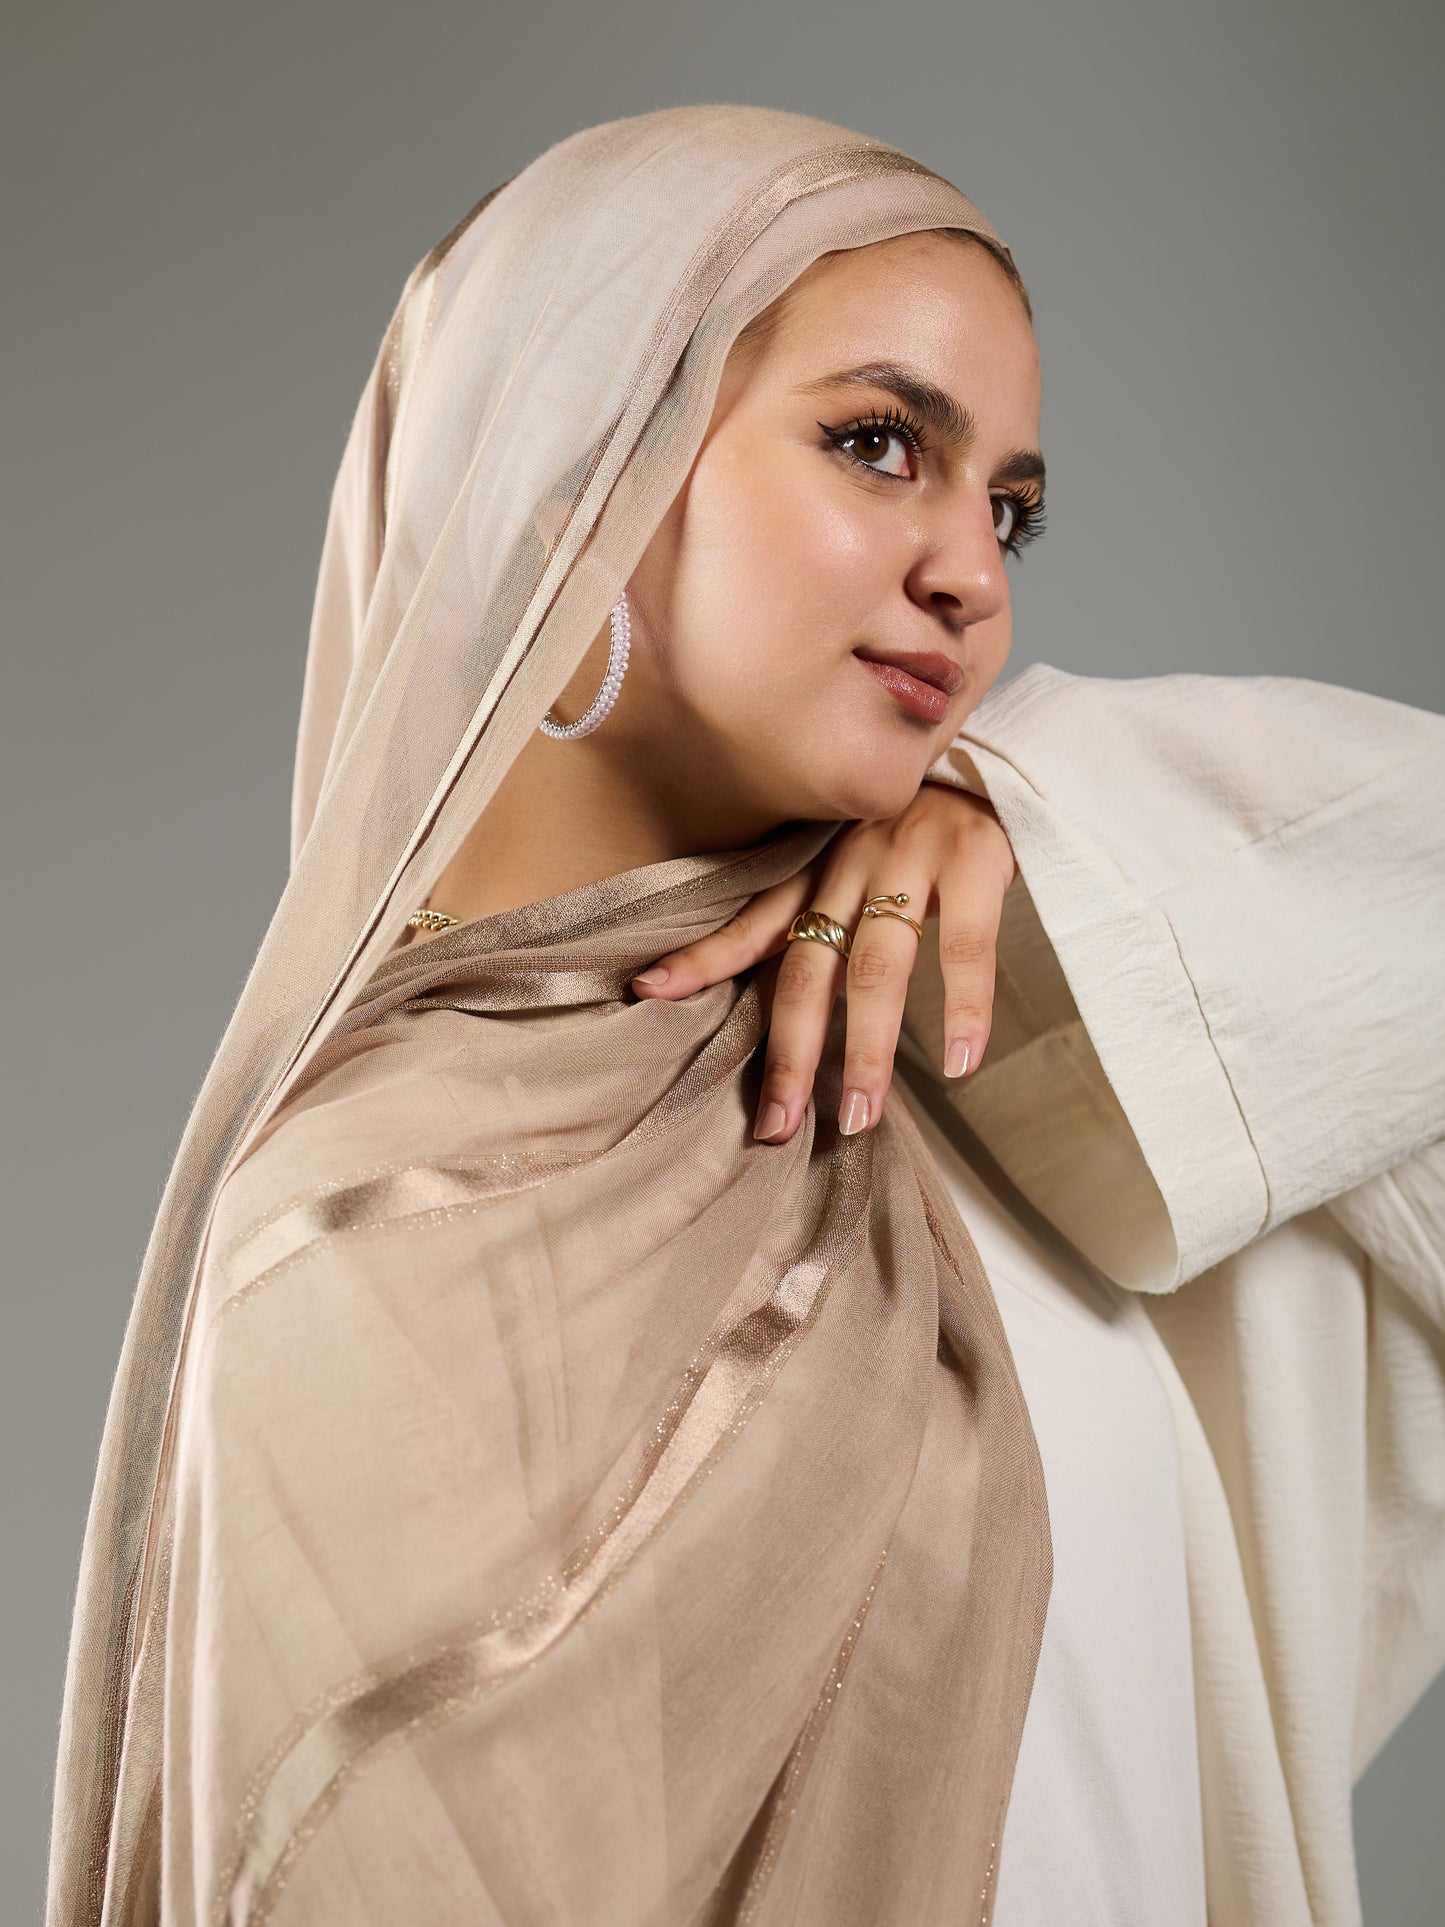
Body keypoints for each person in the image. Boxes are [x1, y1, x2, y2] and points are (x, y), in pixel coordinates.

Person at [47, 105, 1444, 1927]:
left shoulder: (1012, 1039)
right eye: (879, 444)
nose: (973, 575)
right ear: (584, 487)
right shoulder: (363, 1219)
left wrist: (1030, 800)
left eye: (1009, 508)